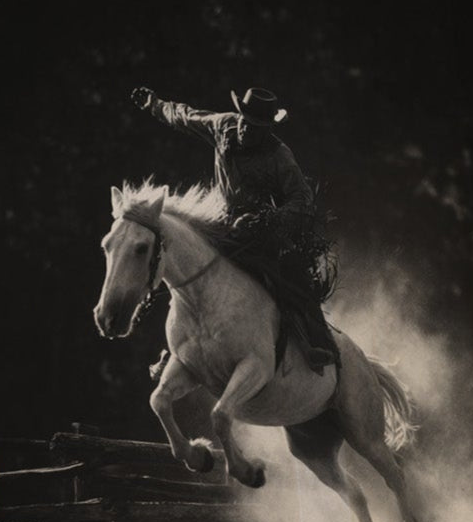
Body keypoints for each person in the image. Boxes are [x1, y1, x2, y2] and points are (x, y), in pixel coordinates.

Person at [131, 85, 339, 373]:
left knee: (292, 277)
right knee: (178, 261)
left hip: (262, 230)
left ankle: (316, 344)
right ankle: (173, 348)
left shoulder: (280, 157)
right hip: (219, 221)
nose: (245, 129)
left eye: (254, 126)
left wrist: (269, 219)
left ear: (266, 130)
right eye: (244, 120)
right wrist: (154, 105)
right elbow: (185, 116)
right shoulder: (222, 125)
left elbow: (301, 199)